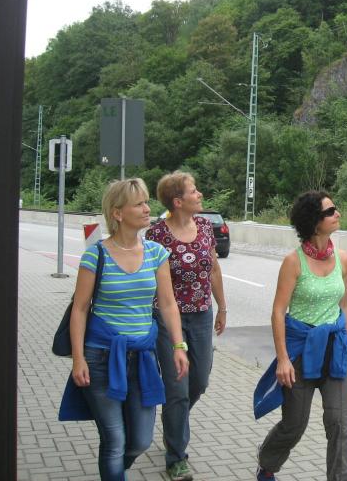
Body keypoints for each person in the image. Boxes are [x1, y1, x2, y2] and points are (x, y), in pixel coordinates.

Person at [58, 178, 189, 481]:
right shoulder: (96, 255)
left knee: (140, 440)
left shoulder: (156, 253)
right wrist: (78, 358)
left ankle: (115, 470)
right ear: (118, 213)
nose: (147, 208)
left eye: (146, 202)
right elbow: (80, 309)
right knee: (114, 440)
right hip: (101, 358)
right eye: (139, 204)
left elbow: (168, 304)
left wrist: (178, 346)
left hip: (142, 358)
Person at [253, 190, 347, 481]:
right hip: (300, 352)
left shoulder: (344, 259)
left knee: (341, 424)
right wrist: (282, 359)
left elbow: (344, 306)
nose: (337, 214)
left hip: (335, 350)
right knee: (294, 424)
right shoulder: (293, 262)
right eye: (330, 211)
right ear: (314, 222)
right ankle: (267, 462)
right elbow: (278, 312)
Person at [146, 171, 227, 481]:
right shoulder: (157, 234)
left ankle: (173, 420)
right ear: (177, 201)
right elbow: (151, 281)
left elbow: (214, 269)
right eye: (194, 191)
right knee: (177, 388)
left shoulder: (205, 227)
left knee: (200, 381)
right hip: (169, 319)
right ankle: (176, 458)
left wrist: (222, 307)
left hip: (202, 314)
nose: (200, 194)